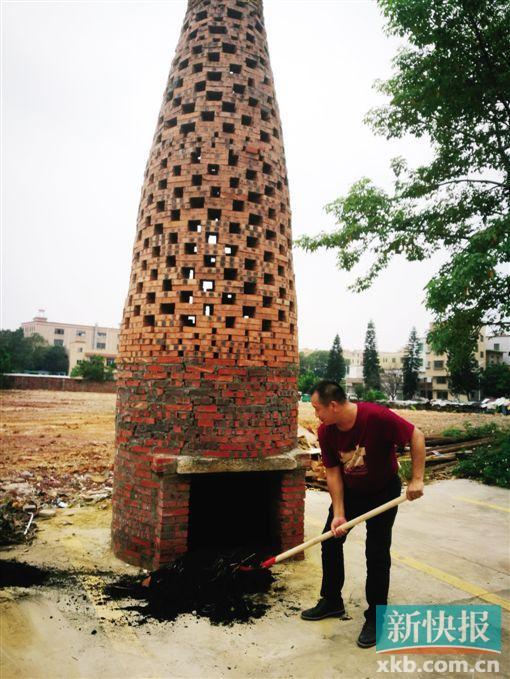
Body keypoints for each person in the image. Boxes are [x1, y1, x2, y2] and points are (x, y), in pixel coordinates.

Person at [301, 380, 425, 648]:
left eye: (317, 408)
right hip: (352, 491)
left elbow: (416, 436)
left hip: (383, 491)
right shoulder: (326, 431)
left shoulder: (376, 417)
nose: (315, 415)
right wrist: (339, 512)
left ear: (333, 405)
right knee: (330, 541)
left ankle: (376, 618)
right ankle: (332, 600)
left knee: (377, 554)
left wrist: (416, 479)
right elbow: (333, 472)